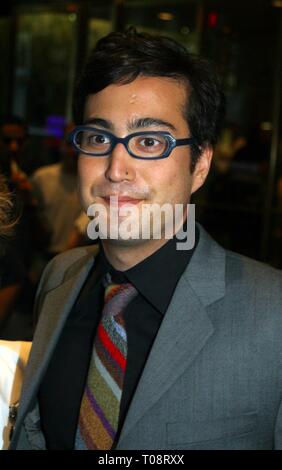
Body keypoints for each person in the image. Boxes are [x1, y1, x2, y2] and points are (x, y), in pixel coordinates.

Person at [10, 28, 282, 450]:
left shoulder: (272, 315)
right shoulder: (60, 278)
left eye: (151, 141)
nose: (116, 168)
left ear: (200, 165)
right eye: (99, 138)